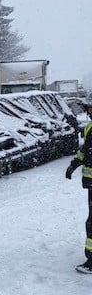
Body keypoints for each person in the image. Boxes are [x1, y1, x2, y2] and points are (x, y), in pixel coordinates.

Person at [66, 98, 92, 273]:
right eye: (88, 109)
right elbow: (85, 150)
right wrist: (75, 163)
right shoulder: (90, 127)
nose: (89, 112)